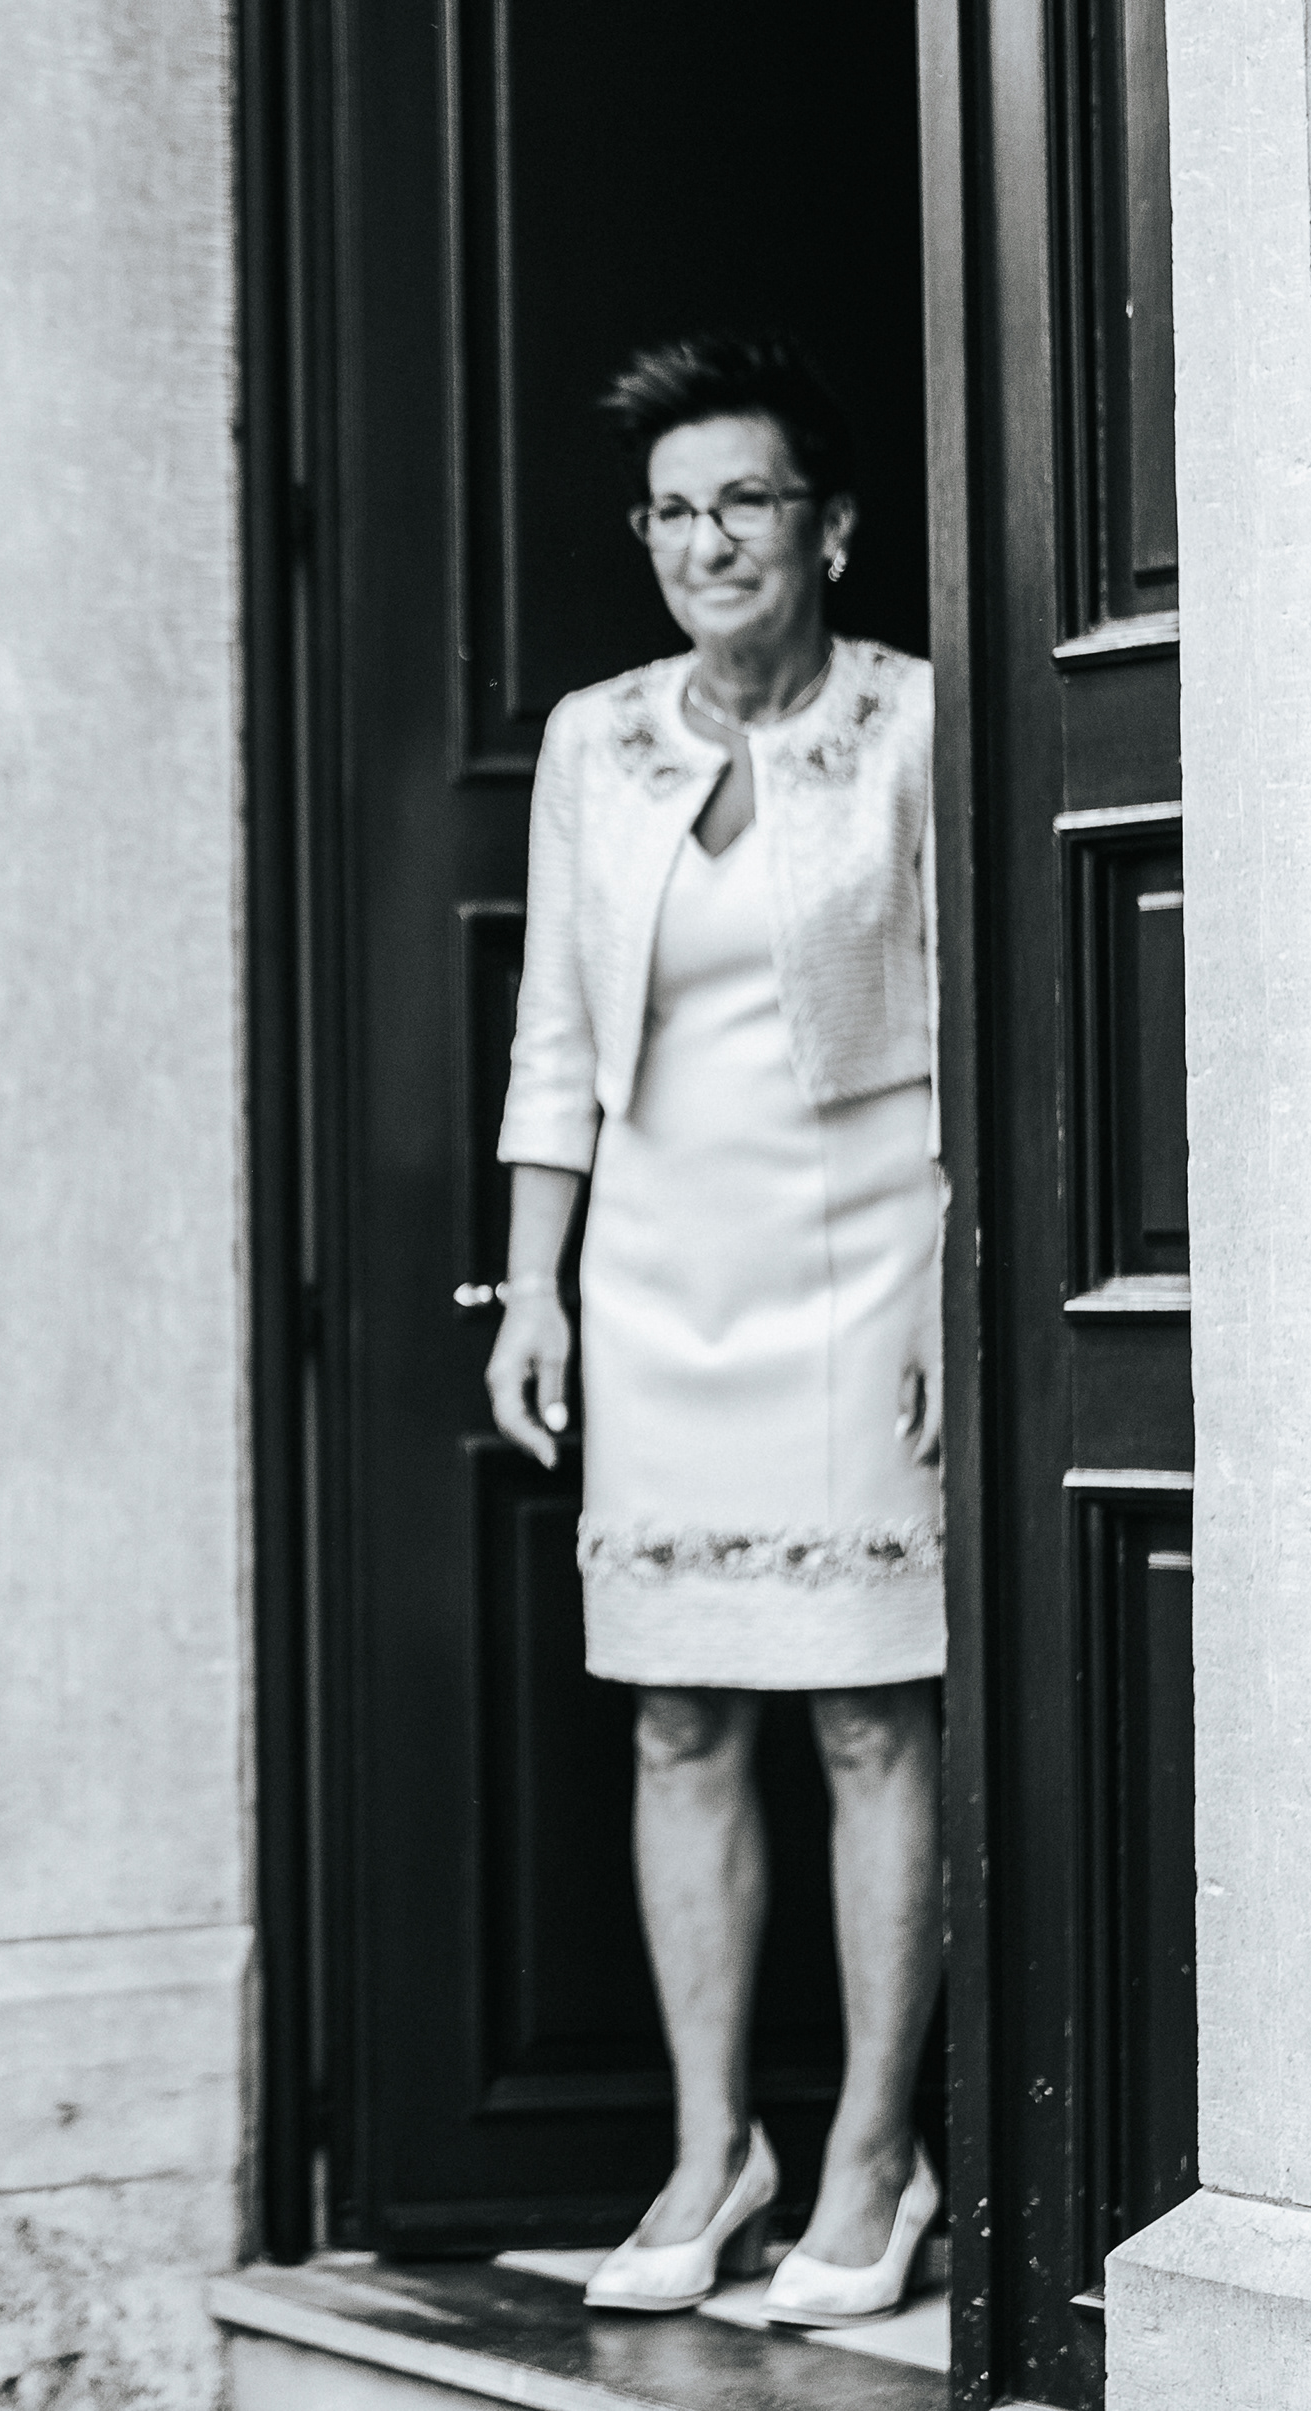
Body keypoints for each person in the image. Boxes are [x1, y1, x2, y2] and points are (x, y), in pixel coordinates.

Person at [481, 337, 945, 2328]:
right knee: (677, 1712)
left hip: (866, 1255)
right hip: (660, 1271)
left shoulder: (917, 718)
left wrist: (966, 1281)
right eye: (674, 511)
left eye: (745, 500)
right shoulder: (596, 740)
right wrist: (534, 1281)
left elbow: (984, 1010)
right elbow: (554, 1030)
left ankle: (873, 2156)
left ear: (829, 528)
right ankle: (709, 2150)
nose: (708, 541)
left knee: (866, 1713)